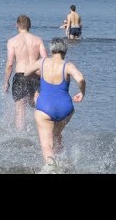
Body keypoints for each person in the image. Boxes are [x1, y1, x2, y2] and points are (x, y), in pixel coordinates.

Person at [24, 37, 86, 166]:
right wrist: (82, 93)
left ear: (51, 50)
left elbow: (26, 73)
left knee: (47, 145)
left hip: (44, 108)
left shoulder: (42, 62)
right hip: (66, 108)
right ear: (65, 51)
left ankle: (52, 169)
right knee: (57, 134)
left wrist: (39, 77)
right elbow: (80, 79)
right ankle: (63, 162)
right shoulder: (68, 65)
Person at [3, 15, 48, 131]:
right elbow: (45, 60)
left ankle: (21, 138)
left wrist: (6, 81)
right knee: (38, 106)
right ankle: (43, 132)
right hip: (35, 75)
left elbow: (10, 64)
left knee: (20, 110)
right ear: (30, 25)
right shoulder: (38, 40)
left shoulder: (12, 41)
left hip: (21, 76)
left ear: (17, 25)